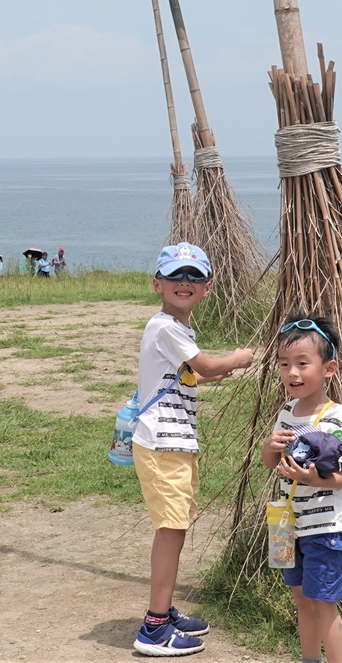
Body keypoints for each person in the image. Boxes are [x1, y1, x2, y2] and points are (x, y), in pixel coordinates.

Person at [131, 243, 253, 657]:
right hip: (164, 444)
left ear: (207, 288)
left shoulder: (179, 330)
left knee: (174, 528)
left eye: (194, 277)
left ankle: (162, 613)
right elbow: (205, 367)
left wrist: (213, 372)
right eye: (176, 276)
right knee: (171, 531)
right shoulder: (164, 326)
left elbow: (187, 376)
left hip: (175, 442)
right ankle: (153, 629)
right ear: (157, 284)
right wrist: (237, 359)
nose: (185, 283)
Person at [261, 317, 342, 663]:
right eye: (285, 364)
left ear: (329, 368)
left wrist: (314, 480)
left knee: (324, 604)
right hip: (291, 525)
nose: (292, 373)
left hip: (327, 529)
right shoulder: (287, 412)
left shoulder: (336, 419)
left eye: (303, 364)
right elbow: (270, 461)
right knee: (302, 597)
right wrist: (270, 446)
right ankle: (309, 659)